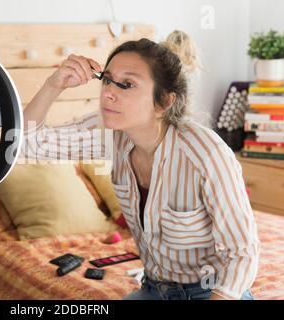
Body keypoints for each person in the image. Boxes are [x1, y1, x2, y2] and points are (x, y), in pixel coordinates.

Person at [21, 30, 259, 300]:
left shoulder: (207, 155)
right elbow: (27, 145)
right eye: (107, 80)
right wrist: (55, 84)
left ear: (165, 102)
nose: (109, 93)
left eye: (126, 85)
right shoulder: (111, 134)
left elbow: (242, 253)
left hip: (214, 292)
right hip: (153, 289)